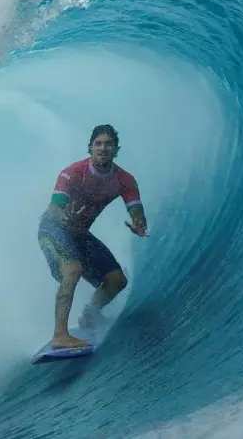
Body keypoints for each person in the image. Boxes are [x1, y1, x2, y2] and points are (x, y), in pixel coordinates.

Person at [37, 124, 149, 349]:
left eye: (109, 144)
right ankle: (60, 335)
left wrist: (139, 223)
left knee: (117, 281)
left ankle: (89, 314)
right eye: (98, 143)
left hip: (79, 235)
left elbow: (136, 210)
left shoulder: (124, 180)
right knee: (73, 269)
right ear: (90, 147)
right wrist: (65, 215)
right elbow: (54, 208)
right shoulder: (73, 172)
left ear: (116, 149)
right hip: (52, 229)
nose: (103, 148)